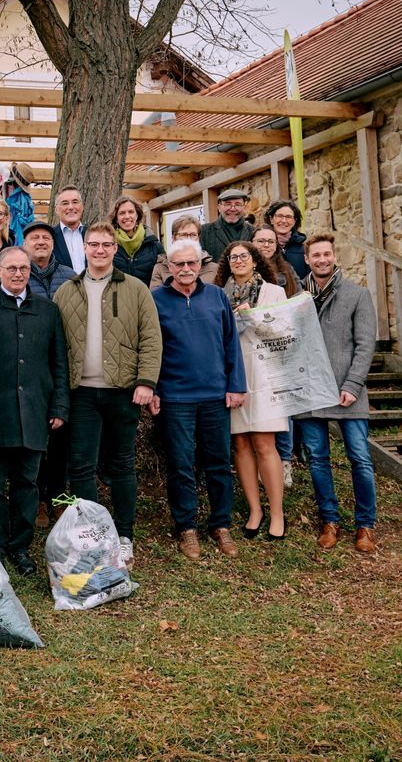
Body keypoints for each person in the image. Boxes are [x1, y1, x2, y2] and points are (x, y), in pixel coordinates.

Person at [53, 222, 161, 563]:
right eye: (93, 244)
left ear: (115, 249)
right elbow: (56, 346)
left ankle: (125, 533)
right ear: (84, 248)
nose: (99, 250)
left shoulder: (135, 288)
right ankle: (94, 534)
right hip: (81, 392)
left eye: (106, 245)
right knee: (82, 467)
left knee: (122, 464)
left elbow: (151, 337)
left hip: (122, 390)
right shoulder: (66, 290)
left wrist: (146, 381)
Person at [151, 239, 246, 561]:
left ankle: (220, 524)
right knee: (180, 464)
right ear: (169, 267)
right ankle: (187, 527)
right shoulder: (157, 300)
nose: (186, 269)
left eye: (191, 263)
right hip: (175, 397)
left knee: (219, 463)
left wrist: (236, 385)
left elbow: (232, 343)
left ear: (199, 264)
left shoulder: (216, 296)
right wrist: (154, 389)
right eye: (179, 264)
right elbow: (152, 350)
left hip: (215, 395)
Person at [0, 247, 68, 574]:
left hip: (34, 411)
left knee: (28, 484)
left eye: (24, 268)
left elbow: (59, 361)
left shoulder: (46, 309)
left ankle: (20, 547)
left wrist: (59, 405)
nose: (18, 274)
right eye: (11, 268)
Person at [296, 233, 379, 553]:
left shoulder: (357, 295)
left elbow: (365, 344)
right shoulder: (298, 297)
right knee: (318, 459)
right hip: (311, 392)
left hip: (348, 392)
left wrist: (353, 384)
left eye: (326, 254)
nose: (321, 259)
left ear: (334, 256)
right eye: (315, 255)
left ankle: (365, 525)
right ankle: (329, 521)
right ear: (307, 259)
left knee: (360, 458)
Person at [214, 242, 289, 541]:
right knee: (241, 445)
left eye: (244, 256)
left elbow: (284, 332)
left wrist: (254, 315)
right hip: (233, 375)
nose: (239, 261)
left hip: (265, 375)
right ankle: (255, 510)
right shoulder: (218, 295)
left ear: (255, 261)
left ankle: (277, 513)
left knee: (264, 444)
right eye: (233, 257)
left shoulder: (273, 292)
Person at [253, 225, 304, 489]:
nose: (266, 245)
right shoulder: (245, 269)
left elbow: (298, 302)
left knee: (283, 406)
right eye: (260, 240)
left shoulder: (287, 271)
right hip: (251, 348)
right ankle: (262, 460)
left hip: (280, 346)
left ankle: (284, 461)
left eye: (270, 241)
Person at [149, 215, 219, 289]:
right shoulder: (160, 268)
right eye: (184, 235)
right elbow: (156, 298)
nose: (189, 239)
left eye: (193, 235)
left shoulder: (213, 268)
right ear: (173, 238)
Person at [110, 196, 163, 285]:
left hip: (147, 297)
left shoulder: (154, 245)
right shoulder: (108, 246)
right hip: (118, 298)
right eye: (122, 213)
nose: (127, 216)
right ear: (116, 218)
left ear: (137, 215)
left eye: (131, 212)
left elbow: (163, 276)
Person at [22, 220, 76, 300]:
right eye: (35, 238)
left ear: (53, 244)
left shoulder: (70, 276)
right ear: (24, 244)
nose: (41, 242)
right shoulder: (17, 276)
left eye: (46, 238)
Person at [199, 189, 255, 261]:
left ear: (244, 207)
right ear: (219, 207)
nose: (232, 209)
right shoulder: (204, 231)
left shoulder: (253, 231)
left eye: (237, 204)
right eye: (228, 204)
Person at [264, 199, 309, 279]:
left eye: (288, 217)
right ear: (271, 219)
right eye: (280, 216)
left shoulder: (304, 249)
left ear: (294, 221)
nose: (284, 221)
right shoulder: (262, 246)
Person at [50, 186, 86, 272]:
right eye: (65, 203)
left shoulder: (92, 234)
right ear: (56, 210)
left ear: (82, 206)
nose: (71, 207)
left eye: (75, 202)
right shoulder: (50, 237)